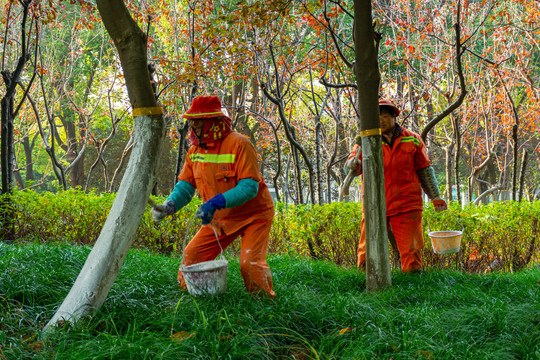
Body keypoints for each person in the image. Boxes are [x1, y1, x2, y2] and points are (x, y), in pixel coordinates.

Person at [151, 95, 276, 298]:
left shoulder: (240, 144)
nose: (193, 128)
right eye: (191, 122)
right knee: (190, 260)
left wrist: (216, 202)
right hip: (219, 216)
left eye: (198, 123)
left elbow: (249, 187)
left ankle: (263, 306)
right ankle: (202, 301)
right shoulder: (195, 150)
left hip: (254, 215)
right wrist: (169, 206)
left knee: (249, 265)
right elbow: (185, 186)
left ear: (213, 122)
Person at [345, 99, 447, 273]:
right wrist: (352, 164)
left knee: (411, 248)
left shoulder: (413, 140)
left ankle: (412, 283)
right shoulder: (366, 141)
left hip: (407, 204)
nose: (381, 120)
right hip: (374, 203)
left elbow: (425, 169)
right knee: (367, 248)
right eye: (377, 117)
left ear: (394, 117)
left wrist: (435, 196)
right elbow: (354, 167)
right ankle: (364, 281)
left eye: (385, 116)